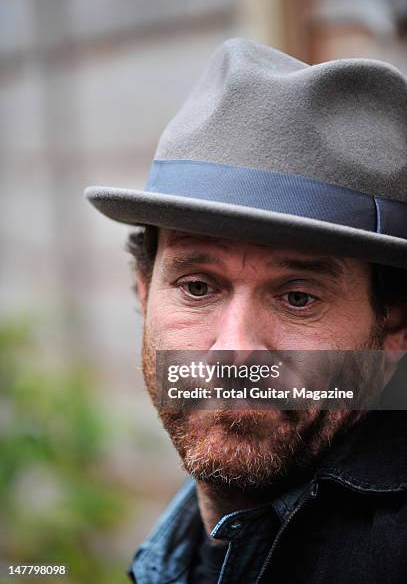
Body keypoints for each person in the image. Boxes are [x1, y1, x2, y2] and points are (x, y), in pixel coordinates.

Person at [86, 38, 407, 583]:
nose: (236, 349)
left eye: (298, 297)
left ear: (394, 325)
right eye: (196, 287)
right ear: (144, 291)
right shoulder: (191, 540)